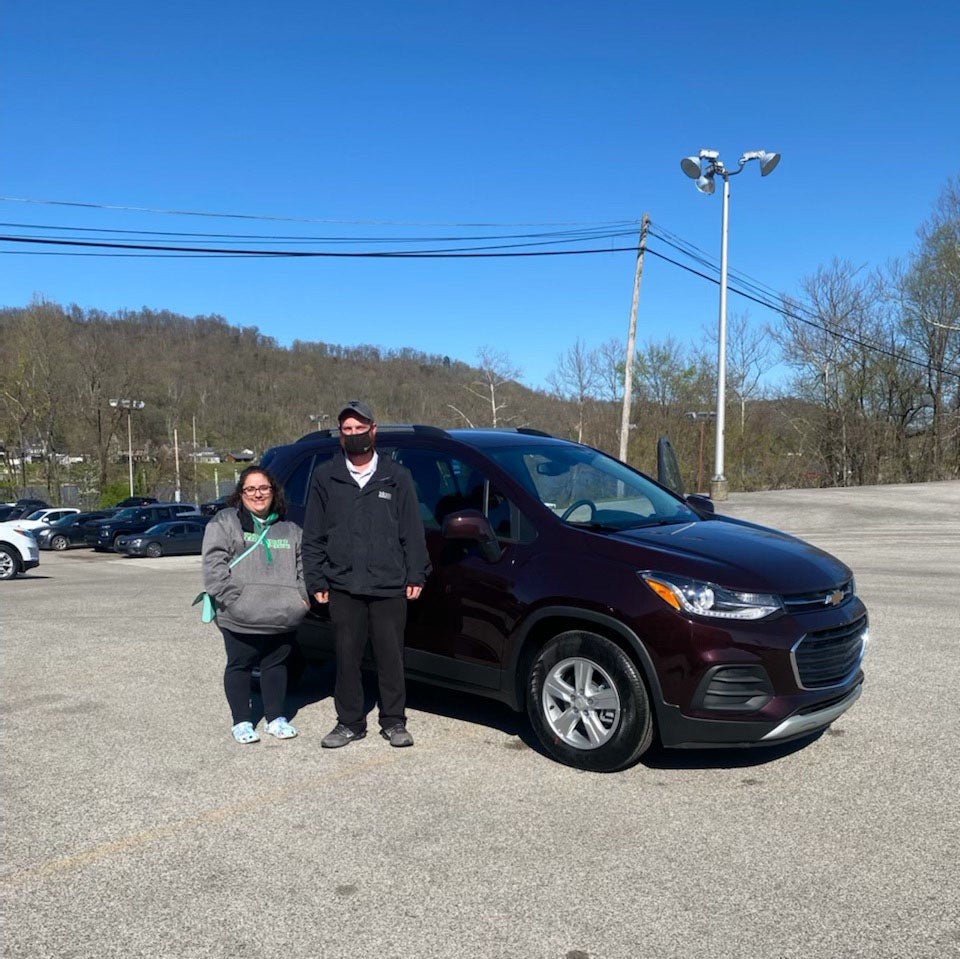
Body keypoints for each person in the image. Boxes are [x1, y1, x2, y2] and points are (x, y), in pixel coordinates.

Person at [302, 400, 430, 748]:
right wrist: (316, 579)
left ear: (374, 430)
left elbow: (412, 531)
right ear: (340, 435)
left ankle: (393, 720)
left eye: (361, 429)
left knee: (391, 657)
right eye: (348, 430)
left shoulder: (396, 475)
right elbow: (313, 533)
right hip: (343, 584)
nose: (355, 435)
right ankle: (349, 722)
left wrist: (416, 573)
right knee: (347, 658)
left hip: (388, 584)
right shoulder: (326, 476)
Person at [201, 465, 309, 744]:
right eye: (250, 489)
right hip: (238, 614)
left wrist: (301, 600)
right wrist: (230, 599)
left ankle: (275, 718)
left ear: (274, 492)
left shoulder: (291, 529)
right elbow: (214, 565)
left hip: (282, 614)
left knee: (276, 666)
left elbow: (303, 569)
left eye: (264, 488)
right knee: (240, 665)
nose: (258, 494)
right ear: (241, 493)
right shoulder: (224, 522)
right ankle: (241, 721)